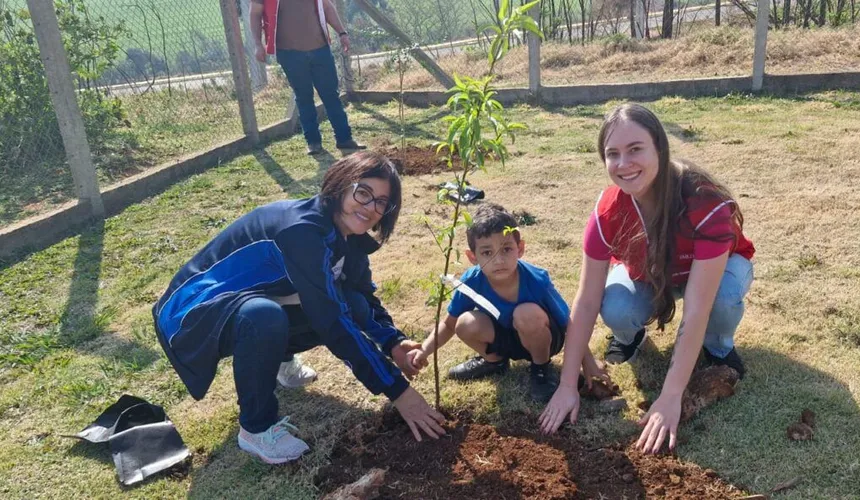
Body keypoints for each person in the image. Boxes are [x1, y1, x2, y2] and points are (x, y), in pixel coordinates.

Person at [152, 152, 445, 465]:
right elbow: (330, 319)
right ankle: (256, 428)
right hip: (192, 311)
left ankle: (278, 358)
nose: (370, 207)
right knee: (264, 317)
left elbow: (359, 298)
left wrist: (393, 342)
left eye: (381, 202)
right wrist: (398, 390)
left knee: (346, 300)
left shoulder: (348, 236)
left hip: (257, 295)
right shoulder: (302, 231)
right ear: (341, 186)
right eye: (363, 193)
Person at [538, 103, 755, 455]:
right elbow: (587, 300)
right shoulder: (608, 212)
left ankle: (718, 349)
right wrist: (566, 384)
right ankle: (630, 337)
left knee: (722, 296)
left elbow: (696, 309)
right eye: (613, 154)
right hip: (653, 274)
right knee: (616, 304)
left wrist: (671, 396)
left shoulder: (704, 202)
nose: (624, 164)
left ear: (659, 147)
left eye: (635, 149)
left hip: (714, 271)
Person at [410, 203, 600, 403]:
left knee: (526, 314)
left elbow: (568, 323)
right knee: (464, 323)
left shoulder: (537, 280)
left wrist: (587, 360)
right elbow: (449, 324)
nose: (498, 260)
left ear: (520, 248)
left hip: (544, 337)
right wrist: (424, 350)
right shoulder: (471, 282)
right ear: (472, 256)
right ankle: (495, 362)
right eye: (487, 253)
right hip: (505, 336)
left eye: (506, 249)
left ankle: (541, 370)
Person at [250, 0, 365, 155]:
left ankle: (344, 139)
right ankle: (313, 142)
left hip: (320, 50)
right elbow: (255, 14)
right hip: (289, 53)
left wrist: (342, 32)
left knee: (331, 95)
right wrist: (258, 44)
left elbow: (327, 6)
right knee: (303, 97)